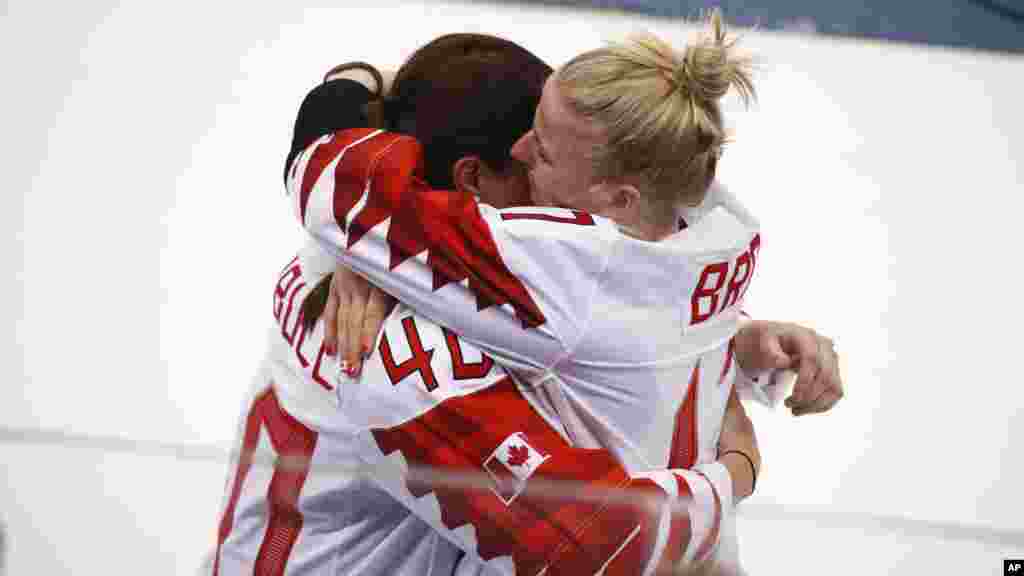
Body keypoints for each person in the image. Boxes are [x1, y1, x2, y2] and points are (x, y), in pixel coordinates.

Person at [211, 25, 839, 576]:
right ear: (469, 181)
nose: (524, 155)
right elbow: (592, 545)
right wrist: (735, 469)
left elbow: (336, 188)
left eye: (542, 149)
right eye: (531, 145)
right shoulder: (408, 346)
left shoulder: (380, 254)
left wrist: (734, 345)